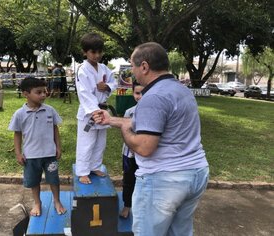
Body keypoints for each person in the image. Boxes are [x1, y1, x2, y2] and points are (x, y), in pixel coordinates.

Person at [92, 42, 209, 236]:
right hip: (195, 174)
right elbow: (150, 122)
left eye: (133, 67)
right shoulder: (181, 90)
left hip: (165, 181)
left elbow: (145, 147)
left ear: (144, 66)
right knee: (178, 232)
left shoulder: (153, 97)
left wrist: (124, 130)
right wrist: (112, 119)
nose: (132, 73)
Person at [8, 77, 66, 216]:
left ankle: (57, 201)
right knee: (34, 182)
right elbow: (17, 134)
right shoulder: (20, 114)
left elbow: (55, 129)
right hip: (31, 156)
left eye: (44, 92)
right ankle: (37, 203)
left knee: (54, 180)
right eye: (38, 92)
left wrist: (58, 147)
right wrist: (18, 153)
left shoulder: (50, 110)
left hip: (50, 154)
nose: (43, 95)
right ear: (26, 94)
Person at [75, 32, 117, 184]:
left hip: (102, 112)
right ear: (85, 52)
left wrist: (107, 86)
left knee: (100, 142)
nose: (97, 55)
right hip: (89, 115)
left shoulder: (105, 68)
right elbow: (84, 93)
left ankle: (95, 166)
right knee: (86, 142)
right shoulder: (82, 70)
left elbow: (114, 83)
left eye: (100, 51)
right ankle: (83, 171)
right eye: (93, 52)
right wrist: (95, 111)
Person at [119, 81, 144, 219]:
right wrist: (133, 146)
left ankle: (142, 207)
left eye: (144, 93)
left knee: (145, 181)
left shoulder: (155, 112)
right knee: (128, 180)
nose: (140, 96)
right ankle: (127, 206)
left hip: (146, 155)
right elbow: (124, 132)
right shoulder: (129, 112)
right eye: (137, 93)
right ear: (133, 93)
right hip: (129, 155)